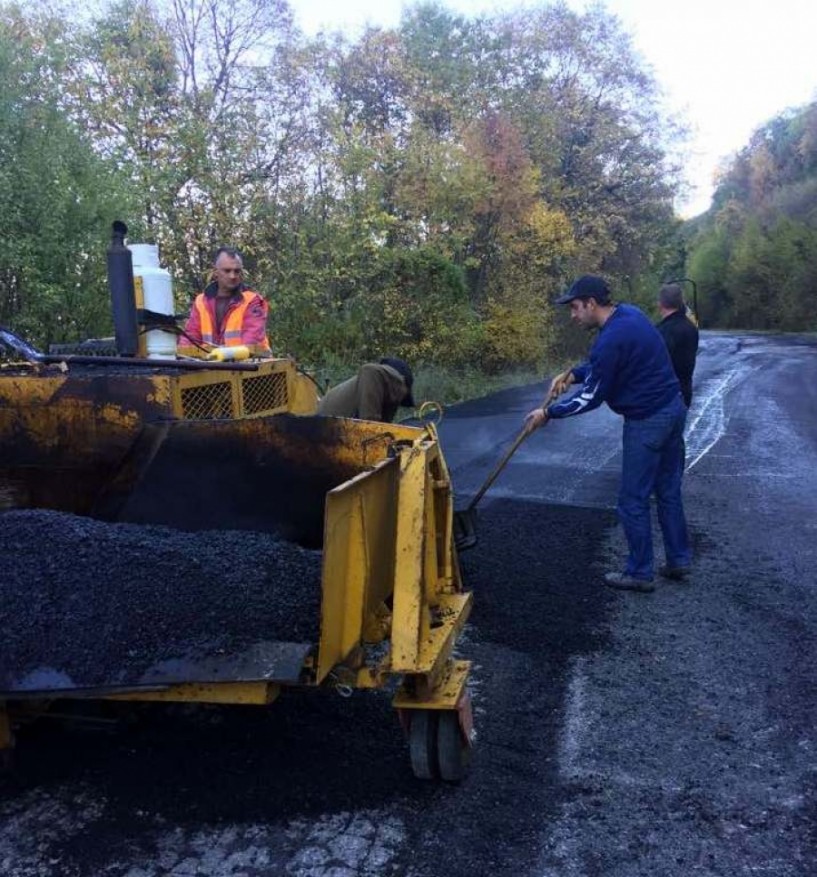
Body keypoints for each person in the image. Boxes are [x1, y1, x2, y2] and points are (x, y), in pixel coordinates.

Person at [524, 275, 691, 593]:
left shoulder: (610, 338)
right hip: (673, 410)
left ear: (591, 303)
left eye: (575, 307)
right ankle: (678, 559)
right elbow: (605, 367)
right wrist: (573, 374)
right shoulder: (631, 315)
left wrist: (548, 413)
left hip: (649, 420)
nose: (573, 315)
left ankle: (640, 573)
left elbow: (592, 397)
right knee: (668, 491)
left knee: (632, 499)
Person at [178, 246, 271, 354]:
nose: (232, 276)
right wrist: (181, 357)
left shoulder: (252, 301)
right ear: (216, 272)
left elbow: (251, 340)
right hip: (214, 365)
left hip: (251, 366)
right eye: (227, 271)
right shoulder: (201, 302)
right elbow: (190, 338)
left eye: (237, 271)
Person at [317, 358, 416, 423]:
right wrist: (370, 425)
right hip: (331, 437)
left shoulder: (360, 388)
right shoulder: (375, 375)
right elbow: (370, 370)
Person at [656, 283, 699, 408]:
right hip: (685, 393)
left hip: (665, 396)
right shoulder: (691, 327)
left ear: (660, 304)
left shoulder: (663, 331)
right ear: (682, 302)